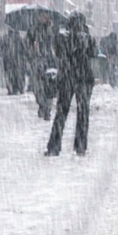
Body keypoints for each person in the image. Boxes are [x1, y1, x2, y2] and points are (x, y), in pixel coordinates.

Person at [46, 12, 97, 156]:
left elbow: (58, 52)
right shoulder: (86, 37)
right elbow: (94, 53)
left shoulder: (63, 37)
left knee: (61, 113)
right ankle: (80, 146)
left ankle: (54, 147)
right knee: (83, 113)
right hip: (83, 78)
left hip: (67, 77)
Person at [27, 11, 59, 120]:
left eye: (46, 15)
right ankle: (41, 104)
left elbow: (58, 44)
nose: (43, 18)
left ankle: (47, 109)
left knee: (49, 87)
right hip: (37, 60)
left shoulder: (53, 29)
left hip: (50, 62)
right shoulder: (33, 29)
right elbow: (27, 44)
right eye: (41, 16)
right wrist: (32, 50)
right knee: (37, 87)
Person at [2, 27, 27, 96]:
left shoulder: (5, 38)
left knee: (10, 76)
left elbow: (2, 48)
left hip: (9, 60)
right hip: (17, 60)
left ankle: (12, 89)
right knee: (19, 75)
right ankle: (20, 88)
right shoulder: (19, 38)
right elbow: (24, 49)